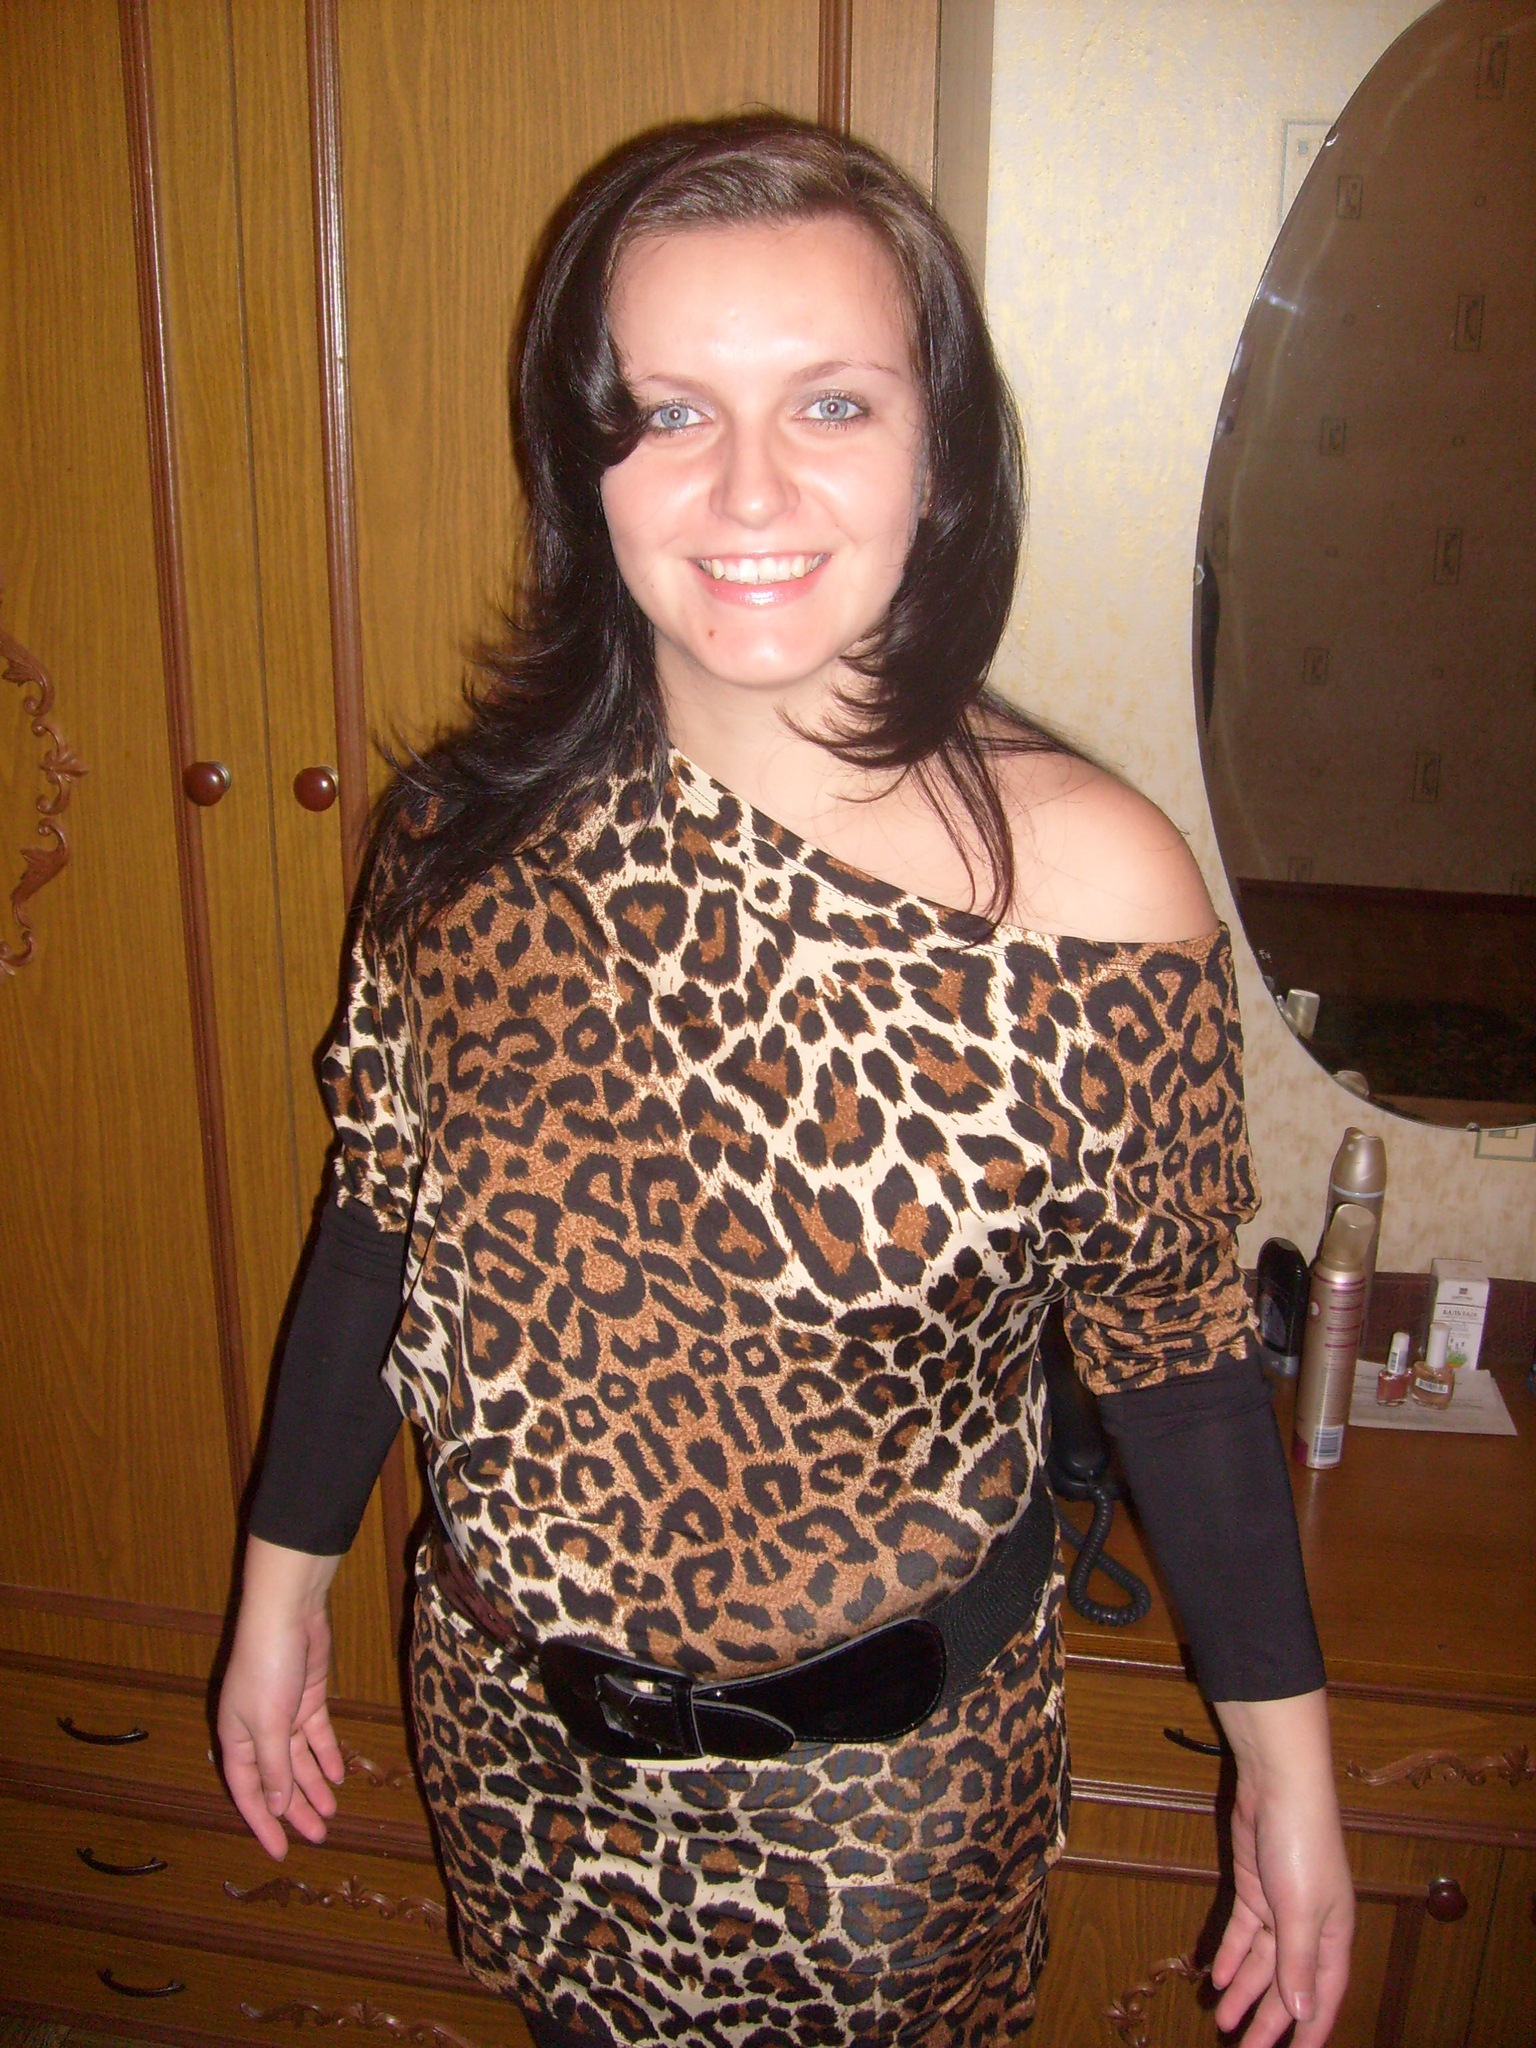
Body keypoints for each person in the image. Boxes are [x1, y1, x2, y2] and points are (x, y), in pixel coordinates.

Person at [217, 116, 1353, 2048]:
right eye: (669, 412)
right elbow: (374, 1239)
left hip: (880, 1835)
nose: (747, 486)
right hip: (522, 1754)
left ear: (943, 453)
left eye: (832, 403)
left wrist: (1289, 1784)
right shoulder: (460, 845)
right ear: (583, 461)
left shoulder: (1096, 904)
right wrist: (278, 1601)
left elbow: (1175, 1371)